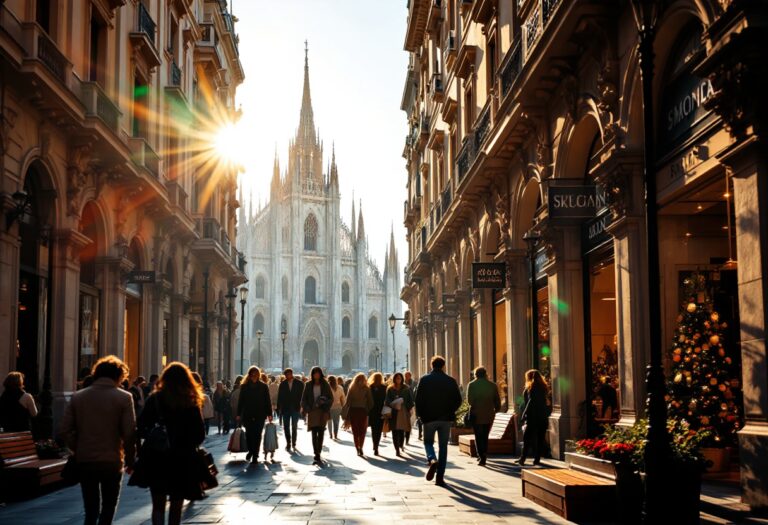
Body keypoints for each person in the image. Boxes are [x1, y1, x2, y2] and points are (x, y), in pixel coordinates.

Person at [59, 356, 136, 525]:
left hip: (86, 459)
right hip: (112, 459)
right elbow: (129, 433)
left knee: (90, 508)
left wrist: (77, 446)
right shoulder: (124, 398)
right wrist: (130, 459)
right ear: (118, 375)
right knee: (109, 505)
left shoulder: (79, 397)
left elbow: (64, 430)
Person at [135, 362, 206, 525]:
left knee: (158, 505)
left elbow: (141, 425)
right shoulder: (190, 400)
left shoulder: (155, 399)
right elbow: (199, 434)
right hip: (182, 458)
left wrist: (156, 436)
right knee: (176, 504)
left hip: (157, 457)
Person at [415, 356, 462, 487]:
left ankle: (431, 458)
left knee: (428, 442)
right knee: (443, 447)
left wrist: (421, 415)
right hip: (445, 419)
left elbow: (418, 400)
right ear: (443, 366)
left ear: (431, 365)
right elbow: (458, 400)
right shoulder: (451, 380)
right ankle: (440, 477)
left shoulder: (424, 380)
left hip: (429, 418)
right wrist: (450, 411)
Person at [236, 366, 272, 464]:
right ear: (249, 375)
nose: (254, 376)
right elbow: (241, 401)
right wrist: (238, 414)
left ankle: (255, 455)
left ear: (258, 375)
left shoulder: (264, 386)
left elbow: (267, 401)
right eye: (252, 374)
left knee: (257, 435)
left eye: (256, 374)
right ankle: (251, 451)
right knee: (248, 434)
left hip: (260, 414)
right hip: (248, 414)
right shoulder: (244, 386)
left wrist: (269, 413)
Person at [467, 366, 501, 466]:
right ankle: (484, 454)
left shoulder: (472, 385)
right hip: (489, 414)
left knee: (478, 435)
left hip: (476, 413)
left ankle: (481, 456)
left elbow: (470, 401)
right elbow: (497, 401)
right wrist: (495, 410)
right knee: (485, 435)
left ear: (476, 374)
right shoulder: (492, 385)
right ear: (485, 373)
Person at [518, 369, 550, 466]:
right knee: (540, 438)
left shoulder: (531, 388)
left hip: (533, 417)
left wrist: (524, 414)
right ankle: (537, 459)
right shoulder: (544, 387)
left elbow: (530, 402)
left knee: (527, 438)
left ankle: (522, 458)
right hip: (542, 416)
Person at [301, 366, 332, 465]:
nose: (316, 375)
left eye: (318, 373)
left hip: (322, 411)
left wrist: (325, 403)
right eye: (315, 373)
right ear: (312, 374)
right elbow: (303, 399)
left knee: (321, 432)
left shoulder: (325, 384)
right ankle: (316, 453)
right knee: (314, 432)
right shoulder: (308, 384)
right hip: (313, 411)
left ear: (321, 374)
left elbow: (331, 398)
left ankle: (319, 450)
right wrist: (307, 408)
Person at [342, 373, 373, 456]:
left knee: (358, 431)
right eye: (361, 380)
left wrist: (345, 413)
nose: (361, 382)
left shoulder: (352, 388)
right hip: (361, 411)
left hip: (355, 411)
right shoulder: (366, 388)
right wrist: (367, 409)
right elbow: (370, 402)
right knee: (360, 431)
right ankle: (359, 448)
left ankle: (359, 448)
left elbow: (347, 402)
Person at [386, 372, 414, 457]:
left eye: (400, 378)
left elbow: (410, 400)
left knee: (401, 430)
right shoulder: (390, 389)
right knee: (395, 430)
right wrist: (393, 402)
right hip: (394, 411)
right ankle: (397, 449)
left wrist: (410, 409)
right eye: (397, 378)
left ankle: (401, 445)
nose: (398, 380)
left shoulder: (406, 388)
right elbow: (387, 400)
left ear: (402, 379)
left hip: (403, 411)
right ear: (394, 379)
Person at [276, 368, 303, 451]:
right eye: (286, 374)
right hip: (285, 408)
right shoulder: (282, 384)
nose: (288, 376)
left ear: (292, 374)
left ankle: (294, 442)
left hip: (295, 408)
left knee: (294, 426)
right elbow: (279, 397)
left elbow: (302, 396)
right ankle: (288, 442)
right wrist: (278, 408)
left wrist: (302, 406)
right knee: (286, 426)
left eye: (289, 374)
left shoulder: (299, 383)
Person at [368, 372, 387, 456]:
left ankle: (374, 444)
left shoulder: (370, 387)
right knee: (379, 430)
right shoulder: (384, 388)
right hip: (381, 411)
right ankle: (376, 446)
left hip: (372, 411)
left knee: (373, 430)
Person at [327, 376, 346, 440]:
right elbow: (343, 398)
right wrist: (343, 406)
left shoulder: (327, 388)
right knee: (336, 422)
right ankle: (335, 435)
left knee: (329, 421)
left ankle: (330, 434)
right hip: (338, 407)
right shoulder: (340, 387)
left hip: (329, 407)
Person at [404, 371, 417, 444]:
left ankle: (408, 434)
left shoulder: (414, 383)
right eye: (405, 375)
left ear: (410, 376)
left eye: (408, 375)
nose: (406, 377)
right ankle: (405, 434)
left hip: (411, 403)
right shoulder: (402, 383)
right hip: (404, 405)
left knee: (410, 420)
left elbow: (415, 392)